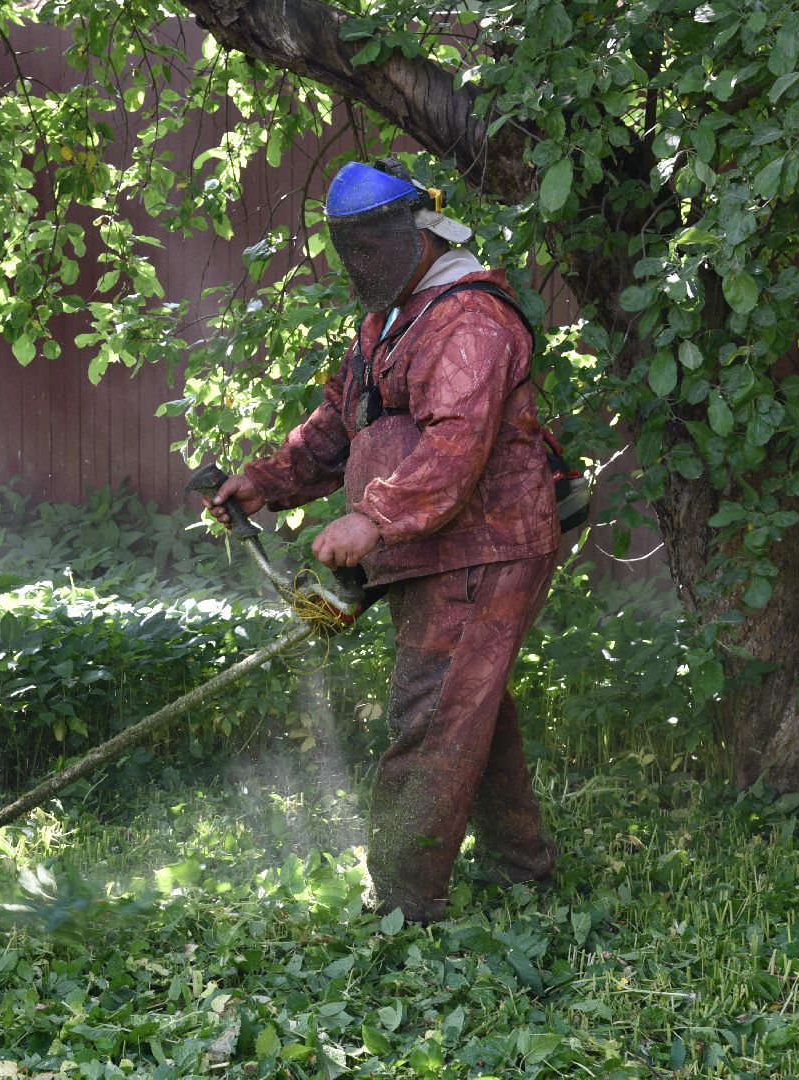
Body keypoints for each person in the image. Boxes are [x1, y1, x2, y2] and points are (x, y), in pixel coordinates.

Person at [203, 159, 561, 923]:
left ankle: (403, 906)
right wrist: (266, 482)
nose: (362, 262)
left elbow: (455, 447)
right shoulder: (389, 322)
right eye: (351, 248)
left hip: (484, 550)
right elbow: (340, 424)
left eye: (373, 244)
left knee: (433, 717)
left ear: (420, 230)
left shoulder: (470, 320)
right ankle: (522, 868)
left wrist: (374, 518)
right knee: (471, 706)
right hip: (431, 549)